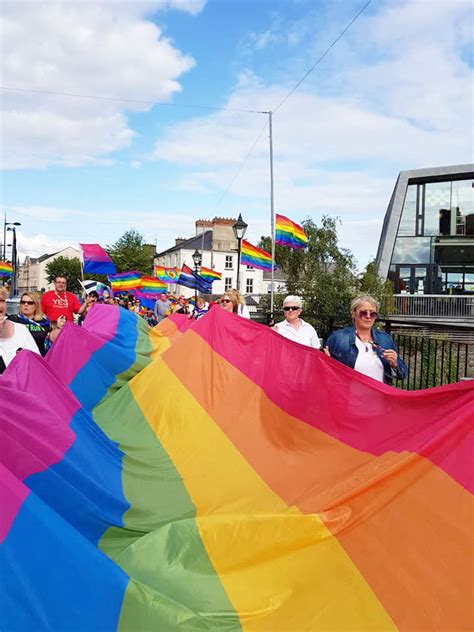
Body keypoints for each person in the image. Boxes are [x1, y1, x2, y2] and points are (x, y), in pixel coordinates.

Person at [324, 295, 407, 384]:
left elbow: (402, 374)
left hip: (379, 397)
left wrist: (394, 364)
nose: (368, 316)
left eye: (372, 314)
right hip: (348, 396)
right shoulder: (338, 338)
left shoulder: (385, 339)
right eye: (363, 313)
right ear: (353, 313)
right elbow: (324, 371)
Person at [0, 287, 40, 372]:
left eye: (2, 301)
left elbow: (36, 362)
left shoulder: (21, 329)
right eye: (23, 302)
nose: (0, 305)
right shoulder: (14, 318)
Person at [8, 291, 52, 356]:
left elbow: (52, 340)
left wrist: (59, 327)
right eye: (23, 302)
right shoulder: (13, 320)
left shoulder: (44, 322)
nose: (26, 305)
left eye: (30, 303)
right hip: (18, 360)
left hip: (38, 360)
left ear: (36, 305)